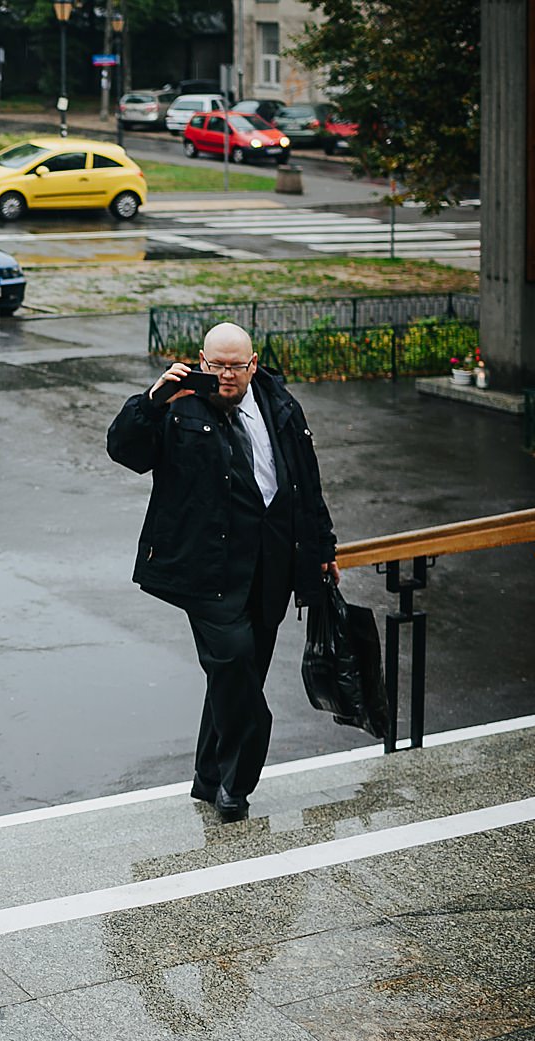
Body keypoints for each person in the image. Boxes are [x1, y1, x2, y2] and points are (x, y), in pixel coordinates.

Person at [106, 322, 338, 822]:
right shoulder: (178, 405)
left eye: (236, 365)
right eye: (216, 364)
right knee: (234, 665)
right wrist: (151, 400)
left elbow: (306, 483)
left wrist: (322, 548)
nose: (226, 375)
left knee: (240, 674)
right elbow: (124, 452)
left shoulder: (280, 405)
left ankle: (209, 775)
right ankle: (237, 786)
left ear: (253, 364)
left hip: (272, 563)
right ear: (200, 360)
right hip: (207, 569)